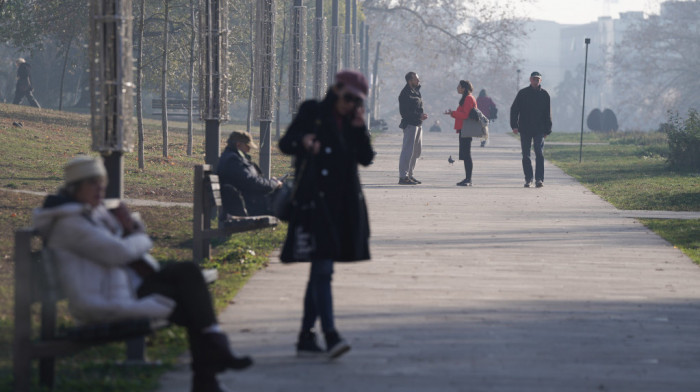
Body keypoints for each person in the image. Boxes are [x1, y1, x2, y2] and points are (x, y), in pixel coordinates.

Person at [33, 156, 252, 392]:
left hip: (125, 287)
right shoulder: (70, 224)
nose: (100, 189)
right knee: (190, 297)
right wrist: (139, 236)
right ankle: (211, 362)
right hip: (104, 301)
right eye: (92, 183)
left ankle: (211, 362)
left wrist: (128, 229)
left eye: (101, 182)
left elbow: (123, 242)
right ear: (74, 188)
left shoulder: (89, 213)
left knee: (188, 275)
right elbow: (119, 252)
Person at [278, 70, 374, 360]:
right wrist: (304, 142)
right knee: (322, 271)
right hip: (315, 204)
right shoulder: (313, 112)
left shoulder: (352, 122)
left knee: (319, 272)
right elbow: (285, 143)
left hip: (344, 207)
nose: (350, 105)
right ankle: (330, 335)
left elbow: (366, 159)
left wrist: (359, 128)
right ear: (336, 89)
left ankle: (306, 336)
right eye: (347, 98)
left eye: (356, 102)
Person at [216, 130, 282, 216]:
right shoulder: (233, 161)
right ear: (238, 145)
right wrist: (273, 183)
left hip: (248, 204)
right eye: (247, 146)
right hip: (250, 207)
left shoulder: (231, 158)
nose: (249, 149)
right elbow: (252, 182)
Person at [510, 71, 552, 188]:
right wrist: (514, 125)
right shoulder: (523, 93)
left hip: (539, 129)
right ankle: (528, 178)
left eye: (537, 79)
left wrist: (547, 130)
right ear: (530, 80)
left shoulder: (545, 95)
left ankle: (539, 179)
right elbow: (514, 110)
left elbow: (548, 113)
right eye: (534, 79)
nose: (535, 81)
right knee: (526, 155)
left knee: (539, 153)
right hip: (525, 128)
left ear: (540, 81)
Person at [444, 80, 477, 187]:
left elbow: (465, 115)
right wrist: (452, 113)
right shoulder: (467, 98)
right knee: (465, 154)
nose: (457, 88)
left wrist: (453, 113)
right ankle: (467, 178)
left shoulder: (468, 98)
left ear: (464, 88)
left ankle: (469, 179)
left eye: (459, 86)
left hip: (466, 129)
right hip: (464, 129)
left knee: (467, 155)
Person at [397, 71, 428, 185]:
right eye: (416, 79)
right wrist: (418, 115)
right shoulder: (405, 94)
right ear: (410, 80)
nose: (418, 81)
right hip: (410, 125)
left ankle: (410, 174)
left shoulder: (416, 92)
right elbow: (404, 113)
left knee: (416, 152)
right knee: (407, 151)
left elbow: (417, 108)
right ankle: (403, 176)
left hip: (418, 124)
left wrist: (421, 116)